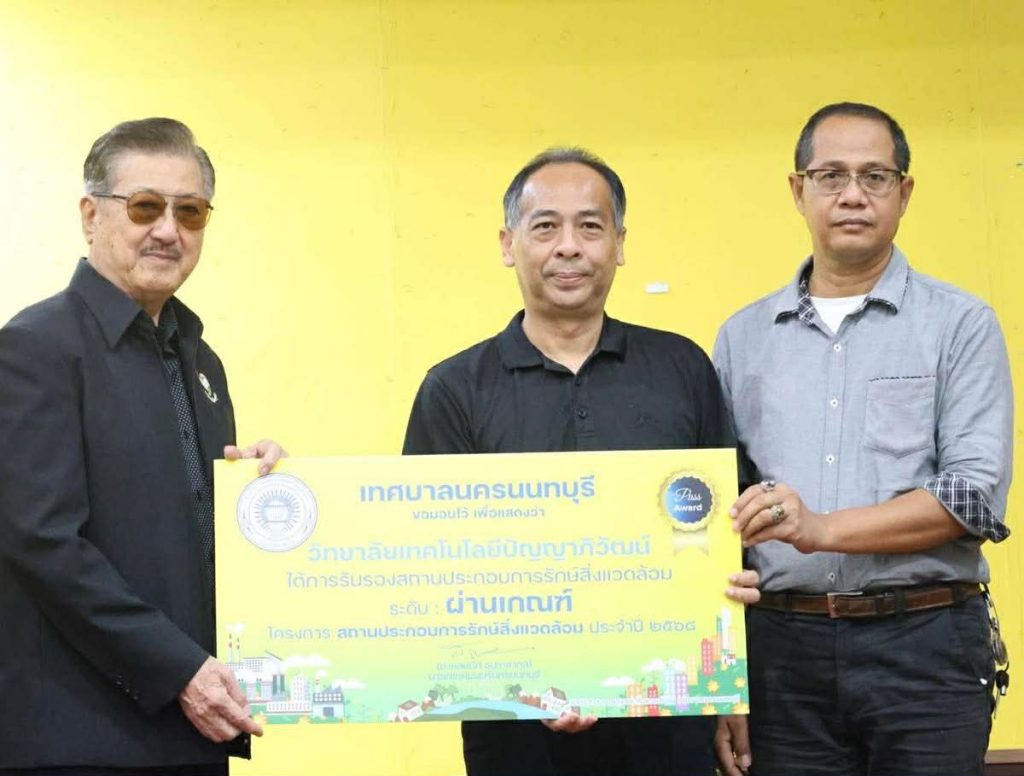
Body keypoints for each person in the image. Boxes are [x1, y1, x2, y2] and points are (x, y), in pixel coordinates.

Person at [404, 147, 758, 776]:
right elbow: (430, 563)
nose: (569, 246)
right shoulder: (455, 388)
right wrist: (524, 686)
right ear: (509, 244)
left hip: (669, 715)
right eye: (545, 226)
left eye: (590, 226)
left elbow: (728, 530)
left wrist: (731, 679)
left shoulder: (681, 368)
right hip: (512, 725)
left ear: (619, 244)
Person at [713, 102, 1012, 776]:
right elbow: (717, 513)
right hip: (781, 651)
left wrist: (821, 529)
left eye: (875, 177)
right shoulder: (742, 338)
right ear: (799, 190)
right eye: (831, 176)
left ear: (904, 193)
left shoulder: (961, 324)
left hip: (925, 645)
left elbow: (971, 497)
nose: (853, 195)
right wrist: (718, 678)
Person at [0, 118, 285, 775]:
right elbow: (43, 542)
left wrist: (254, 499)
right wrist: (180, 669)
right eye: (145, 207)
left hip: (192, 729)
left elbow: (174, 528)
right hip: (79, 738)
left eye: (190, 212)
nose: (168, 230)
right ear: (90, 216)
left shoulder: (201, 362)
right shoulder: (36, 349)